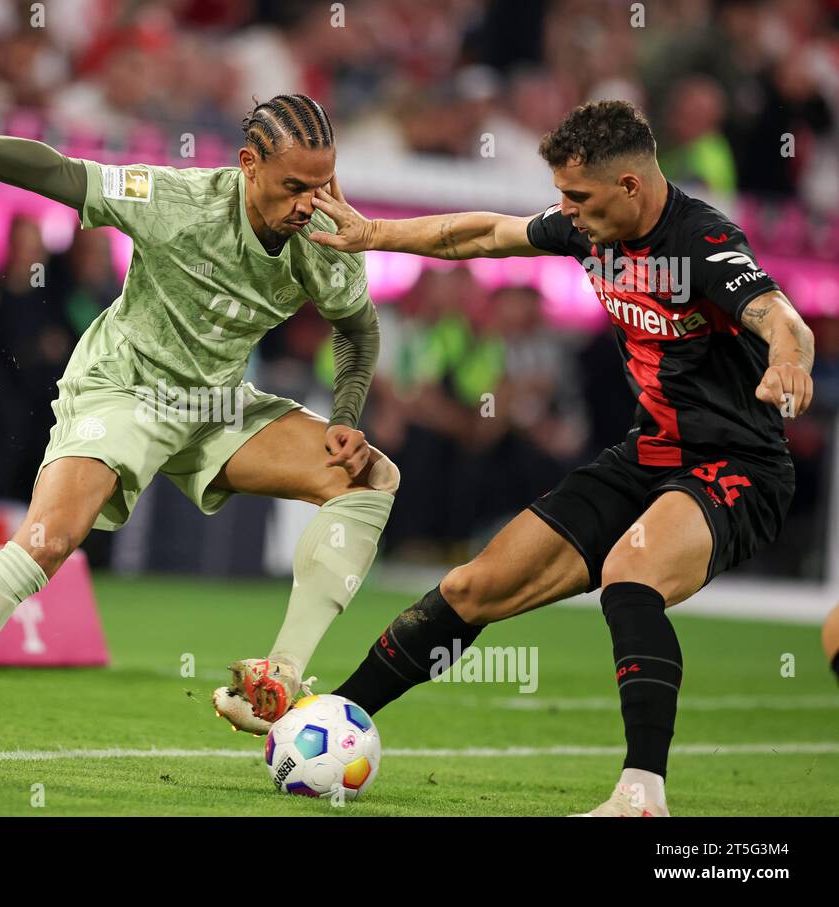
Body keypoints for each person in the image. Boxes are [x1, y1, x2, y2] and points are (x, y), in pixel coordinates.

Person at [0, 74, 399, 763]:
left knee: (370, 477)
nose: (310, 204)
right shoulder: (176, 202)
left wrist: (347, 412)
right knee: (49, 539)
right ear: (248, 166)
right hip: (124, 390)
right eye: (295, 186)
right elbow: (60, 172)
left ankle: (279, 678)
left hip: (213, 407)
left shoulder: (324, 233)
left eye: (323, 185)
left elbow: (358, 330)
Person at [308, 99, 812, 816]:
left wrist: (789, 361)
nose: (564, 210)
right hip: (646, 456)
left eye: (577, 196)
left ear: (630, 187)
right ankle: (331, 718)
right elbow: (480, 232)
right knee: (473, 586)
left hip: (737, 467)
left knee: (630, 575)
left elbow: (780, 317)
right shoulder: (589, 228)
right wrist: (372, 232)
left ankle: (642, 796)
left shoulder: (702, 242)